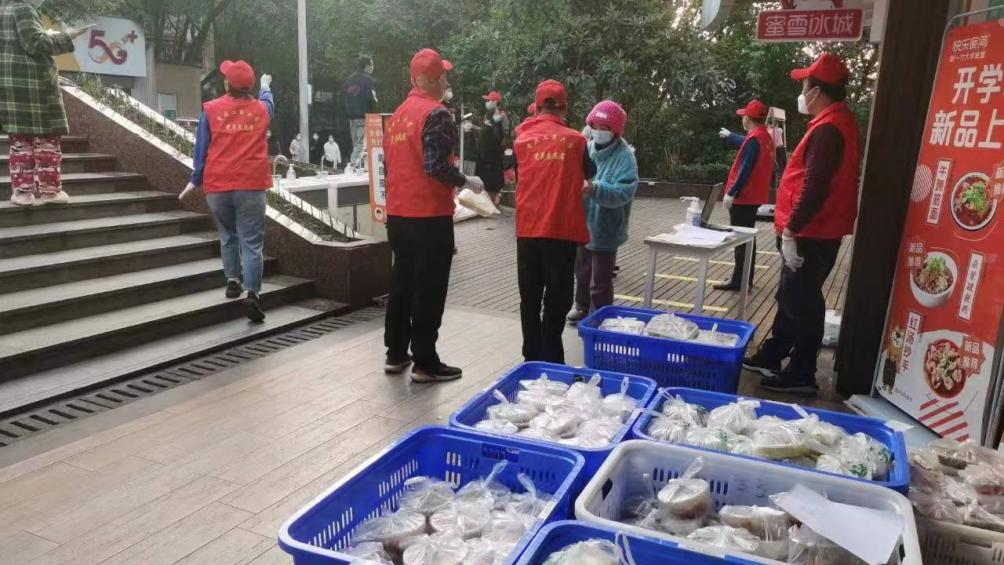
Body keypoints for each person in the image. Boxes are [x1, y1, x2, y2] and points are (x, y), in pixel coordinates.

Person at [743, 53, 860, 394]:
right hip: (814, 230)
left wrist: (792, 231)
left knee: (803, 304)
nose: (803, 92)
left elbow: (815, 186)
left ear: (817, 91)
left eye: (805, 85)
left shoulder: (828, 130)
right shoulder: (833, 123)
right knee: (790, 296)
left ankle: (801, 373)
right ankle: (775, 352)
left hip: (811, 233)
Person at [383, 48, 484, 383]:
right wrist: (465, 180)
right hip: (428, 215)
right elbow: (434, 166)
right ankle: (425, 361)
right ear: (430, 79)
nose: (446, 82)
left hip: (399, 215)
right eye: (443, 76)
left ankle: (396, 353)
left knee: (402, 282)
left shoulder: (397, 116)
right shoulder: (436, 113)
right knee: (429, 288)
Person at [185, 60, 274, 323]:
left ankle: (233, 281)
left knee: (227, 235)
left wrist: (195, 178)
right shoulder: (262, 109)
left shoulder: (210, 110)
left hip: (218, 185)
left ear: (227, 84)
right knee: (252, 243)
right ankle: (253, 294)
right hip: (251, 185)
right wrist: (266, 86)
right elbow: (268, 102)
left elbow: (201, 148)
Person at [514, 79, 596, 363]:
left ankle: (531, 354)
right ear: (564, 108)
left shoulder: (521, 140)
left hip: (528, 229)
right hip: (562, 229)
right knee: (558, 296)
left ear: (537, 107)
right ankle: (552, 353)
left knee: (530, 296)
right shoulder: (576, 141)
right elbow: (590, 173)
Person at [1, 1, 92, 206]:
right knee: (47, 139)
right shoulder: (23, 8)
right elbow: (35, 43)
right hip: (34, 84)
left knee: (20, 141)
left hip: (10, 84)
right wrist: (66, 36)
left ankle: (23, 193)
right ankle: (50, 192)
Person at [567, 100, 637, 322]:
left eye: (604, 127)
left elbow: (624, 191)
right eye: (595, 126)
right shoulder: (586, 148)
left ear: (615, 129)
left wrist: (594, 188)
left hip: (607, 227)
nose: (598, 131)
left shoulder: (625, 156)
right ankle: (581, 305)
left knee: (600, 280)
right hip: (583, 223)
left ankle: (601, 315)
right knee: (582, 271)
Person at [714, 98, 775, 291]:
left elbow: (745, 169)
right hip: (754, 196)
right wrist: (731, 136)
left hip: (744, 198)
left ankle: (739, 281)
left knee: (741, 240)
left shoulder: (754, 139)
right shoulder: (765, 137)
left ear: (747, 119)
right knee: (748, 238)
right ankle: (744, 278)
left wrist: (731, 193)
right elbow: (747, 143)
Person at [474, 90, 508, 205]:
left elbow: (503, 135)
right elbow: (484, 130)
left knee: (494, 179)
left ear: (495, 102)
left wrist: (495, 124)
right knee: (484, 178)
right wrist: (474, 127)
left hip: (494, 154)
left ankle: (495, 199)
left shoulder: (502, 116)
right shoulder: (487, 115)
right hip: (484, 153)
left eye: (489, 100)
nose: (487, 102)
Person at [345, 55, 376, 169]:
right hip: (364, 116)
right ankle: (354, 166)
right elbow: (371, 99)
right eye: (372, 64)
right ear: (367, 66)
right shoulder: (368, 80)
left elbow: (345, 98)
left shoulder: (349, 79)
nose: (373, 67)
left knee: (356, 144)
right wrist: (374, 113)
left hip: (351, 117)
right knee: (361, 145)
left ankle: (356, 166)